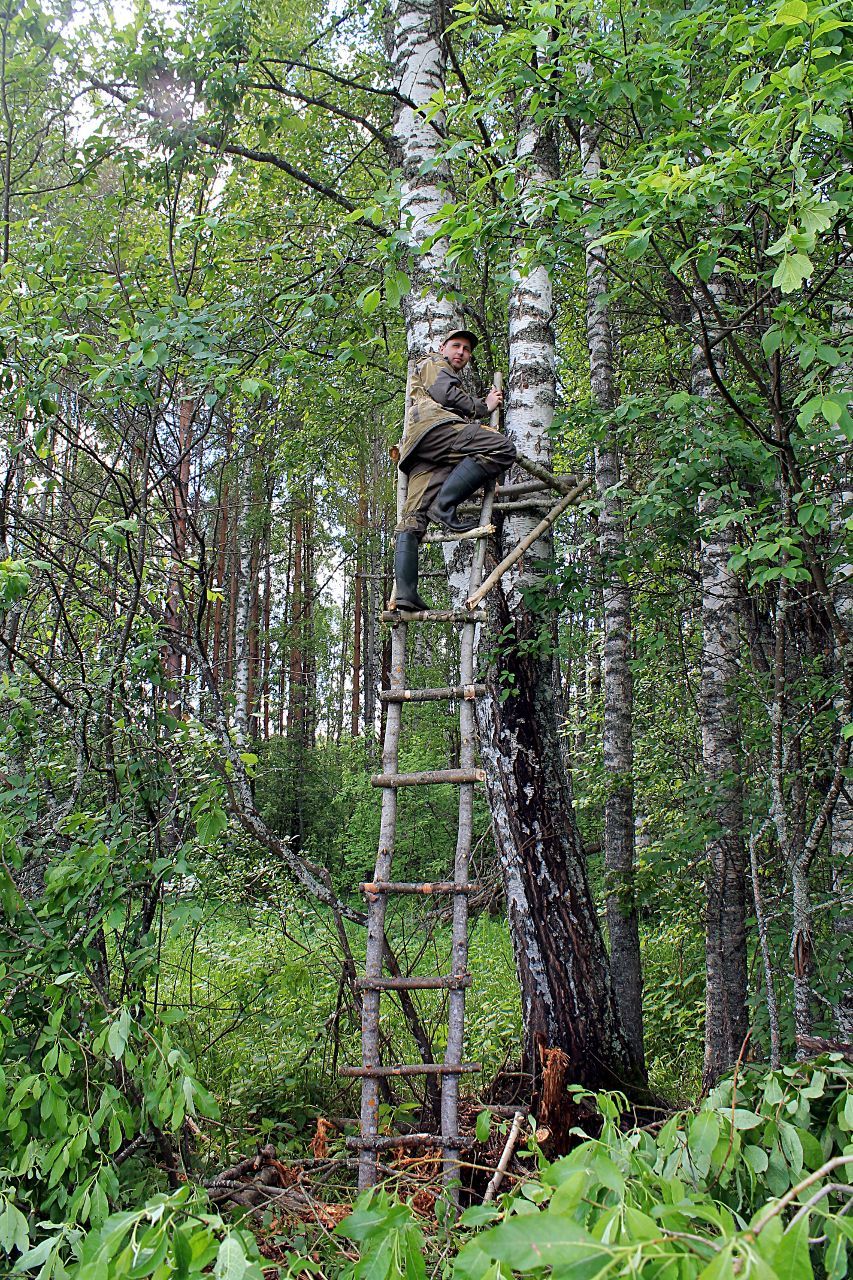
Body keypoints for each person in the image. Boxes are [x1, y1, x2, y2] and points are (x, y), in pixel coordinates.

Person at [394, 329, 516, 612]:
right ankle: (444, 505)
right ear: (442, 347)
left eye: (466, 349)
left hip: (423, 449)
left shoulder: (433, 368)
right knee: (502, 448)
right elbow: (443, 392)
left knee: (412, 520)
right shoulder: (434, 362)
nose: (461, 352)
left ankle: (405, 594)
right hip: (434, 430)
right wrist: (482, 407)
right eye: (456, 346)